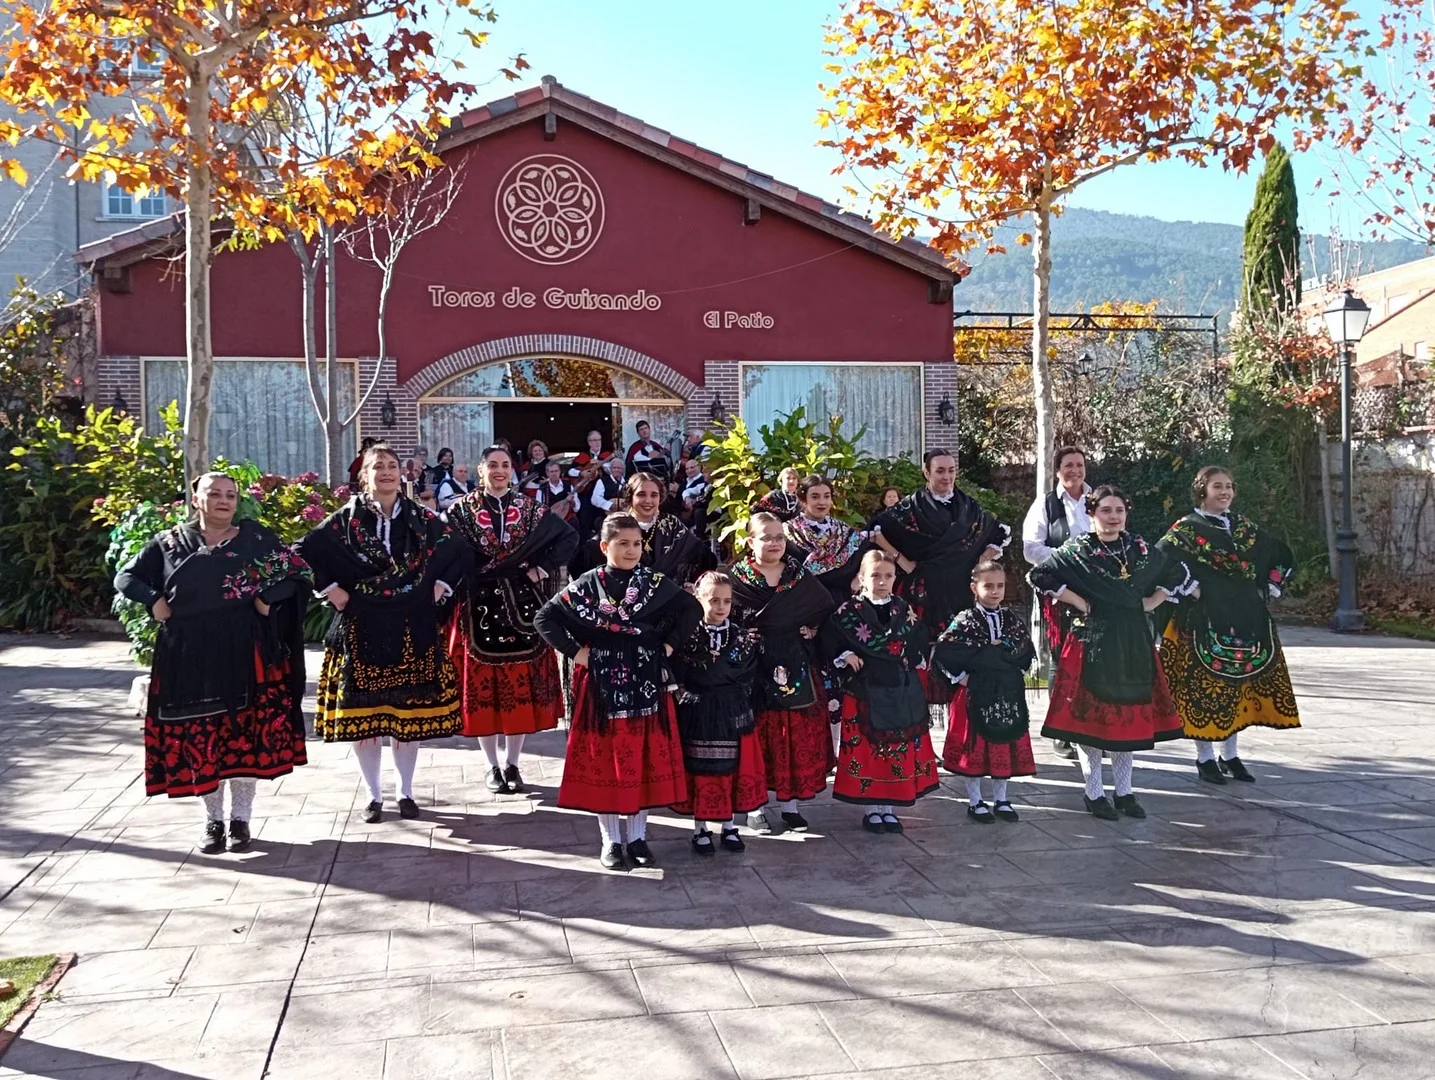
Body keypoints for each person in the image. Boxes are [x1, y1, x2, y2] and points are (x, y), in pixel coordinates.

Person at [116, 472, 311, 854]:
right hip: (189, 654)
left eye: (230, 495)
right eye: (215, 494)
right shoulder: (170, 543)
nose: (224, 501)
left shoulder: (255, 541)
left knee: (245, 736)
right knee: (203, 737)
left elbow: (298, 574)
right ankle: (213, 820)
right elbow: (126, 577)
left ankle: (241, 819)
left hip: (246, 651)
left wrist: (268, 598)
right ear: (196, 499)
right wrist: (154, 599)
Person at [297, 444, 470, 823]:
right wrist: (330, 588)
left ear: (401, 474)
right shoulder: (345, 520)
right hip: (362, 626)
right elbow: (303, 550)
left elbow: (458, 549)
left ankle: (405, 792)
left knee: (406, 719)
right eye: (379, 467)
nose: (387, 472)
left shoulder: (421, 518)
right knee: (367, 720)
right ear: (366, 475)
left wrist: (441, 584)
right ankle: (374, 795)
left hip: (412, 626)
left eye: (392, 466)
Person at [535, 514, 701, 870]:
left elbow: (692, 609)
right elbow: (545, 619)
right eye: (623, 543)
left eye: (637, 544)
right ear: (604, 546)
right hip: (601, 685)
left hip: (647, 681)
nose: (631, 550)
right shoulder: (586, 585)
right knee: (606, 762)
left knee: (641, 758)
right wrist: (577, 654)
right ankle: (610, 840)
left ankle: (638, 838)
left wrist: (669, 646)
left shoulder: (654, 583)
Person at [1028, 484, 1190, 820]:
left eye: (1119, 510)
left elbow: (1177, 571)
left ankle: (1125, 793)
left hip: (1133, 639)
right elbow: (1040, 574)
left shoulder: (1140, 548)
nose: (1113, 517)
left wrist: (1153, 601)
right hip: (1092, 640)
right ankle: (1094, 793)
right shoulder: (1078, 550)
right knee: (1091, 722)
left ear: (1126, 513)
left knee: (1128, 718)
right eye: (1105, 510)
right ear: (1091, 513)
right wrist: (1078, 601)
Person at [446, 445, 578, 794]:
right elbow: (442, 551)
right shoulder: (459, 510)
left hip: (521, 602)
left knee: (519, 685)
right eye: (492, 465)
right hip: (476, 603)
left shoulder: (529, 508)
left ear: (512, 471)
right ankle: (491, 765)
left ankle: (513, 763)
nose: (499, 470)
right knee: (483, 688)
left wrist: (541, 569)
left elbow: (569, 537)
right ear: (480, 470)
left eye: (505, 465)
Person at [1157, 466, 1300, 785]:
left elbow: (1277, 552)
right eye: (1217, 486)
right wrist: (1189, 586)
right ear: (1202, 490)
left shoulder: (1243, 526)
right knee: (1204, 689)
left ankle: (1230, 755)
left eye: (1229, 486)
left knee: (1238, 687)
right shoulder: (1186, 529)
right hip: (1203, 617)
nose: (1225, 492)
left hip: (1246, 616)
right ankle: (1205, 758)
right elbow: (1160, 560)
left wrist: (1272, 582)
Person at [873, 449, 1009, 705]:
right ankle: (919, 719)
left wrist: (982, 560)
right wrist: (902, 560)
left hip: (962, 591)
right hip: (923, 594)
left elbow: (996, 534)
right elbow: (876, 530)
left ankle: (961, 720)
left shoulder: (970, 507)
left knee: (963, 658)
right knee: (920, 659)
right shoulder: (909, 508)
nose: (947, 477)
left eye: (951, 470)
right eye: (940, 471)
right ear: (927, 472)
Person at [729, 512, 836, 834]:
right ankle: (755, 809)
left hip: (795, 663)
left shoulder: (798, 575)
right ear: (751, 541)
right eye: (766, 537)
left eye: (780, 537)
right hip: (753, 668)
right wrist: (740, 637)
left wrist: (812, 630)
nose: (775, 543)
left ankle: (791, 805)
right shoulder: (736, 579)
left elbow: (824, 607)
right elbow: (722, 617)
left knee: (794, 735)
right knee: (758, 738)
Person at [825, 551, 939, 834]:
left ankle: (889, 808)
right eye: (875, 575)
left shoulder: (903, 609)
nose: (882, 581)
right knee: (869, 752)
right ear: (861, 578)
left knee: (895, 750)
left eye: (888, 576)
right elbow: (829, 641)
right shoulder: (848, 612)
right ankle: (871, 810)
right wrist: (845, 654)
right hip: (864, 692)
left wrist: (911, 657)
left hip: (898, 690)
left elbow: (918, 639)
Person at [670, 571, 767, 855]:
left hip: (732, 709)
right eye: (713, 600)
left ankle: (729, 826)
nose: (721, 606)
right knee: (701, 769)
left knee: (731, 769)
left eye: (726, 601)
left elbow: (748, 672)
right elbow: (677, 669)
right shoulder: (687, 634)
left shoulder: (740, 636)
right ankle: (700, 828)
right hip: (698, 709)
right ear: (698, 599)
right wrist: (685, 692)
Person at [935, 561, 1037, 824]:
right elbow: (945, 651)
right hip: (974, 696)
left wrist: (1015, 673)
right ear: (974, 587)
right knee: (975, 748)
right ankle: (975, 801)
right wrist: (961, 678)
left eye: (1000, 586)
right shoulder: (965, 620)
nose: (995, 591)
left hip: (1006, 694)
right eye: (988, 585)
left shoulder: (1011, 620)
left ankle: (1002, 799)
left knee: (1004, 744)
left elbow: (1024, 649)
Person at [1022, 445, 1092, 760]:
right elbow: (1030, 548)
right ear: (1058, 470)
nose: (1074, 470)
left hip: (1096, 591)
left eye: (1079, 464)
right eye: (1068, 465)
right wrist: (1069, 556)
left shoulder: (1097, 500)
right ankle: (1061, 730)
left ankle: (1090, 728)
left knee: (1094, 660)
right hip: (1059, 591)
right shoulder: (1046, 505)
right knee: (1062, 659)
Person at [784, 475, 869, 606]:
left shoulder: (844, 532)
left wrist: (860, 576)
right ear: (803, 500)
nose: (822, 502)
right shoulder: (788, 533)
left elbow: (869, 555)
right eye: (815, 497)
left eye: (827, 496)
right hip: (803, 604)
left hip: (842, 604)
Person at [580, 455, 625, 540]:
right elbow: (595, 499)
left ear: (623, 470)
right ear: (610, 469)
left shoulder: (627, 482)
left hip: (623, 517)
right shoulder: (602, 481)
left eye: (619, 468)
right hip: (604, 517)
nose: (616, 470)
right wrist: (609, 505)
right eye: (614, 468)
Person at [568, 429, 614, 497]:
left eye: (599, 440)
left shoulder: (607, 455)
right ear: (589, 442)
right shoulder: (583, 456)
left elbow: (613, 471)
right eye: (595, 440)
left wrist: (601, 463)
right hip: (586, 492)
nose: (598, 443)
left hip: (604, 491)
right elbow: (570, 471)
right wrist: (581, 473)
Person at [534, 458, 577, 523]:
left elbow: (577, 508)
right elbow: (539, 509)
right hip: (550, 521)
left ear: (560, 471)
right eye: (551, 471)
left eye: (556, 471)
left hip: (568, 520)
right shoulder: (542, 489)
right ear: (547, 473)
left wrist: (572, 501)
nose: (554, 474)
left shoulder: (569, 486)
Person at [678, 458, 710, 534]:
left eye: (692, 467)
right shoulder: (685, 481)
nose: (689, 470)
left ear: (699, 467)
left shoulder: (703, 480)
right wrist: (687, 498)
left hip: (702, 513)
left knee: (698, 513)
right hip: (685, 511)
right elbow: (686, 492)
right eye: (687, 469)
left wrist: (694, 501)